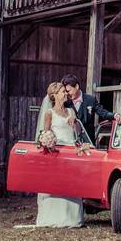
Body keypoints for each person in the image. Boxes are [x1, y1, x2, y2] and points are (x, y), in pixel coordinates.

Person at [34, 82, 84, 228]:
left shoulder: (71, 111)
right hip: (57, 152)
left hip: (71, 150)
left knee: (71, 183)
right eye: (63, 91)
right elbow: (45, 133)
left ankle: (71, 218)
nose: (66, 94)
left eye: (65, 91)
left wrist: (75, 122)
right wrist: (48, 141)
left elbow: (78, 132)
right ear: (54, 95)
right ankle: (52, 217)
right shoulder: (49, 113)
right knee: (57, 183)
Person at [61, 74, 121, 142]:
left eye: (69, 91)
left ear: (76, 86)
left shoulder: (90, 99)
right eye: (65, 91)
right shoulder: (65, 103)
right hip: (71, 141)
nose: (67, 94)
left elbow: (102, 112)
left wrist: (115, 115)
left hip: (88, 142)